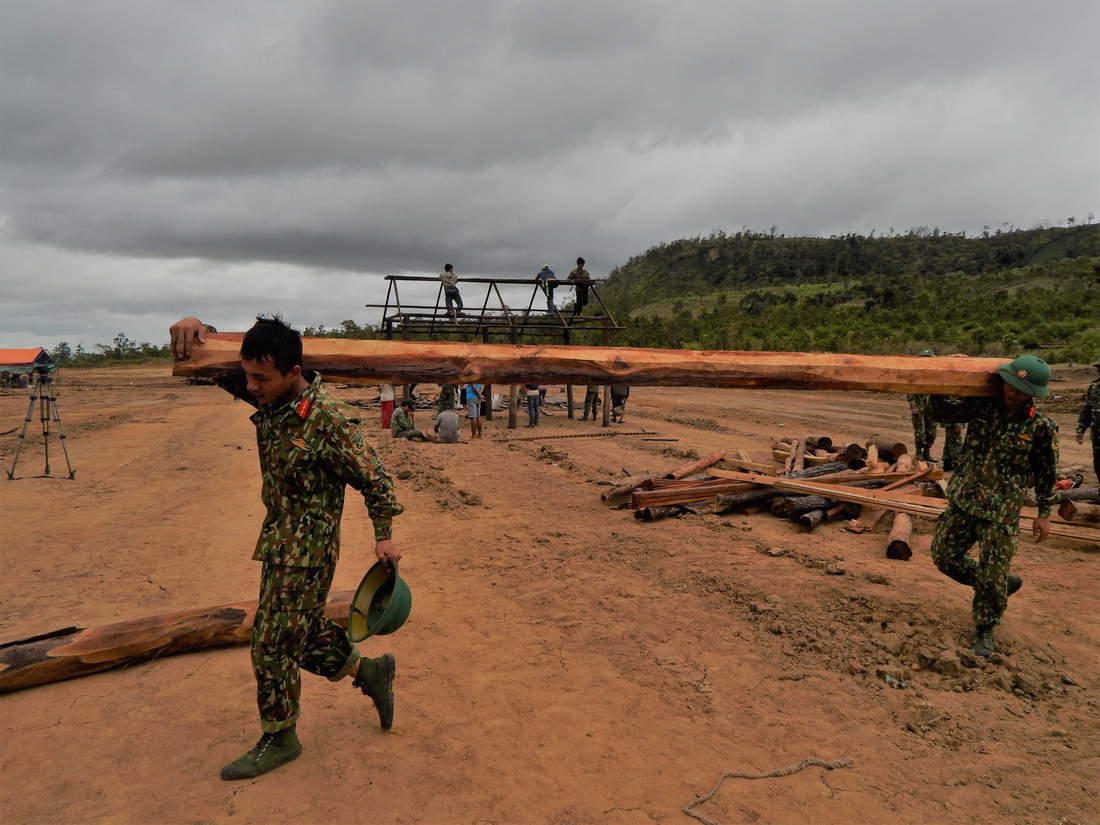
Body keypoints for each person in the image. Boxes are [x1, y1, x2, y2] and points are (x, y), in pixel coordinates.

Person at [168, 316, 403, 781]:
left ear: (293, 372)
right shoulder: (267, 391)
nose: (250, 386)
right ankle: (369, 672)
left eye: (261, 378)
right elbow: (213, 366)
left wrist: (384, 533)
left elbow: (375, 478)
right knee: (297, 634)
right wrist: (200, 326)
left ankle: (281, 736)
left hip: (308, 552)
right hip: (279, 541)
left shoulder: (326, 418)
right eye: (248, 375)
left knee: (270, 644)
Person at [929, 355, 1058, 658]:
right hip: (964, 499)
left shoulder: (1041, 427)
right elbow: (941, 413)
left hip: (1001, 511)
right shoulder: (982, 407)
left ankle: (985, 625)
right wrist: (936, 383)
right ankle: (997, 585)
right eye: (1010, 383)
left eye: (1021, 388)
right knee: (944, 557)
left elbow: (1046, 472)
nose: (1012, 391)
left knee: (992, 568)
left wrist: (1043, 513)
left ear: (1033, 393)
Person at [1075, 356, 1100, 482]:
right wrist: (1081, 429)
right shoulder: (1094, 386)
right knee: (1098, 464)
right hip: (1097, 434)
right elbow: (1088, 408)